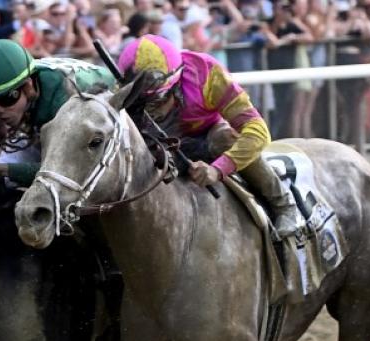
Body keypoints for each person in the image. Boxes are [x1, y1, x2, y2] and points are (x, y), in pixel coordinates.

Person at [118, 33, 302, 240]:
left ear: (176, 81)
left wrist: (218, 169)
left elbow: (258, 131)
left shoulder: (207, 73)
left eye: (158, 99)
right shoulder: (123, 83)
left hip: (207, 135)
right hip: (160, 143)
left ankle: (284, 204)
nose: (152, 109)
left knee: (225, 138)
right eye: (143, 100)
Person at [0, 38, 114, 191]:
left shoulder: (63, 102)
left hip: (105, 116)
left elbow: (67, 170)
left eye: (7, 98)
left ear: (28, 87)